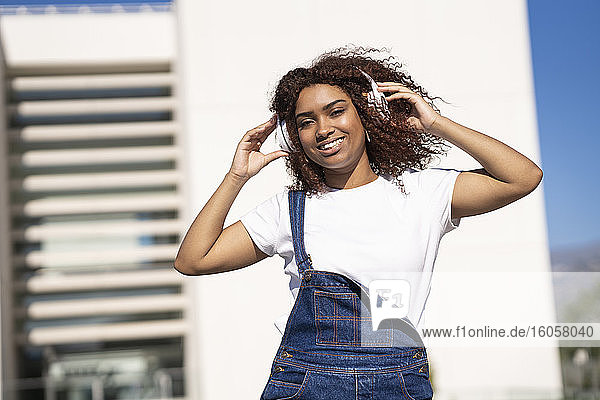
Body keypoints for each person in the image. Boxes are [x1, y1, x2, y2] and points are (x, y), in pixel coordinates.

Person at [174, 46, 543, 399]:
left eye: (336, 112)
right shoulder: (288, 210)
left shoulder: (422, 192)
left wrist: (436, 123)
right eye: (306, 122)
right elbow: (193, 260)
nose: (322, 129)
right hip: (308, 383)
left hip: (397, 382)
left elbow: (522, 178)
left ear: (365, 116)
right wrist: (236, 176)